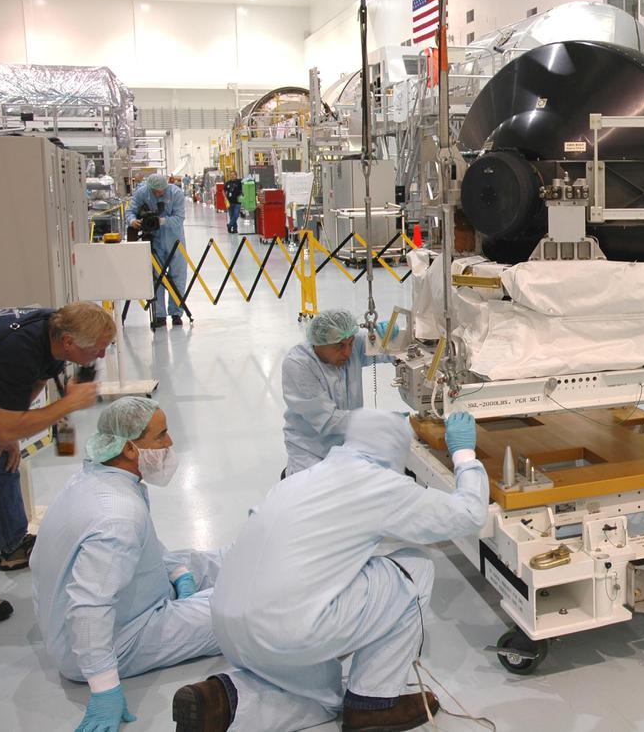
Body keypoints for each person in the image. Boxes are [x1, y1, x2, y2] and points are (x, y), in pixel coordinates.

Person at [172, 408, 488, 732]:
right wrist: (463, 454)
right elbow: (469, 515)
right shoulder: (378, 486)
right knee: (415, 568)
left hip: (227, 624)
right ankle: (373, 704)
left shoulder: (304, 478)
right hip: (285, 629)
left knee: (325, 694)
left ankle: (223, 701)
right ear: (395, 447)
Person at [32, 397, 222, 732]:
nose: (170, 443)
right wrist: (105, 689)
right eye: (161, 436)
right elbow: (90, 606)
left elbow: (142, 545)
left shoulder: (98, 479)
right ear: (131, 449)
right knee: (233, 608)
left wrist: (178, 574)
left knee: (198, 560)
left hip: (118, 604)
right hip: (109, 639)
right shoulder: (118, 515)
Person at [0, 303, 113, 625]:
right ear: (69, 343)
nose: (102, 356)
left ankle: (13, 546)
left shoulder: (51, 328)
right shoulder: (19, 349)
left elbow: (34, 380)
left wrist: (11, 426)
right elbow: (9, 423)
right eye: (98, 349)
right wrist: (64, 405)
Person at [281, 309, 395, 476]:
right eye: (340, 346)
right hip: (311, 451)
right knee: (318, 496)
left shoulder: (350, 346)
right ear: (319, 344)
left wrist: (394, 339)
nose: (348, 352)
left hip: (349, 446)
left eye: (350, 343)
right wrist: (382, 423)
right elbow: (328, 421)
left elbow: (389, 351)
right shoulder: (299, 364)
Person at [129, 172, 187, 329]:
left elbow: (179, 218)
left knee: (177, 276)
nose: (158, 194)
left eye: (161, 191)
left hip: (175, 240)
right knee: (157, 278)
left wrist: (161, 221)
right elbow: (131, 210)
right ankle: (160, 315)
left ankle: (176, 313)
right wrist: (132, 220)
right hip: (155, 241)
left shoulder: (176, 193)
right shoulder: (142, 192)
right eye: (155, 191)